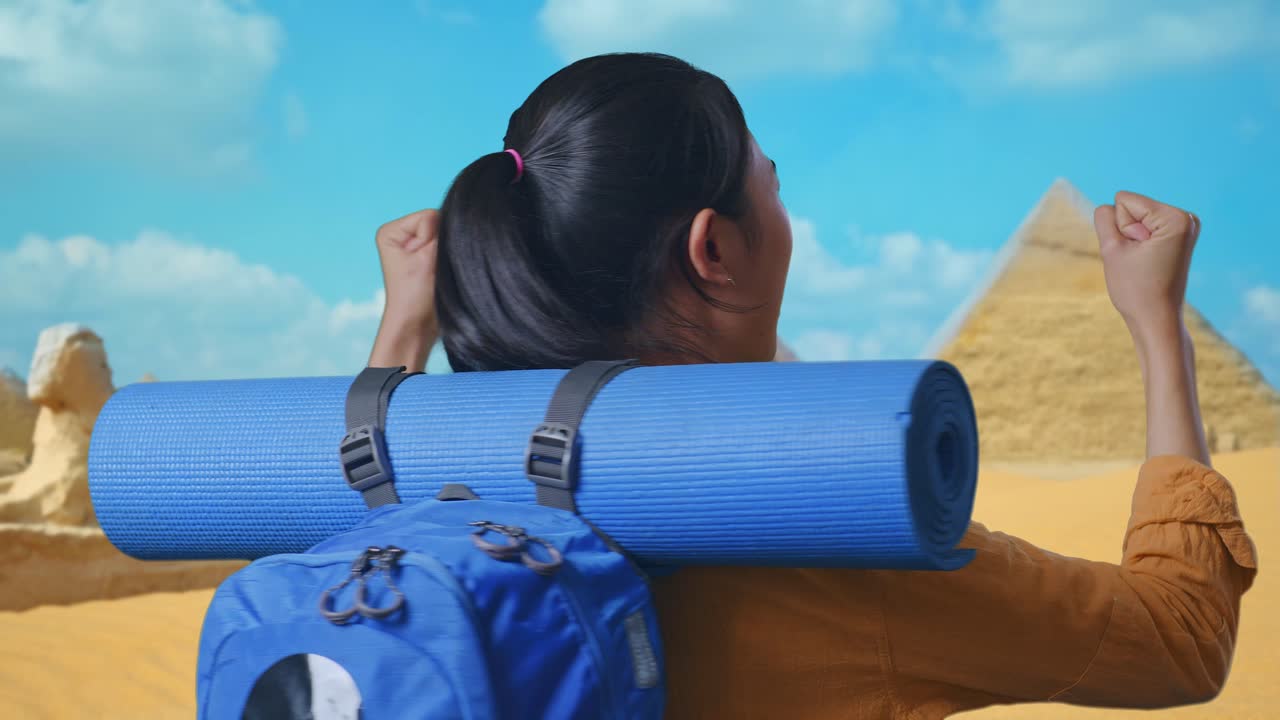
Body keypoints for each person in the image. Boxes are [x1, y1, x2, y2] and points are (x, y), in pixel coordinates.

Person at [367, 53, 1257, 719]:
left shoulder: (419, 520)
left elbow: (360, 468)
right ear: (712, 249)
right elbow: (1176, 637)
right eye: (775, 190)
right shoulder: (834, 551)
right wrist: (1158, 325)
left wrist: (406, 328)